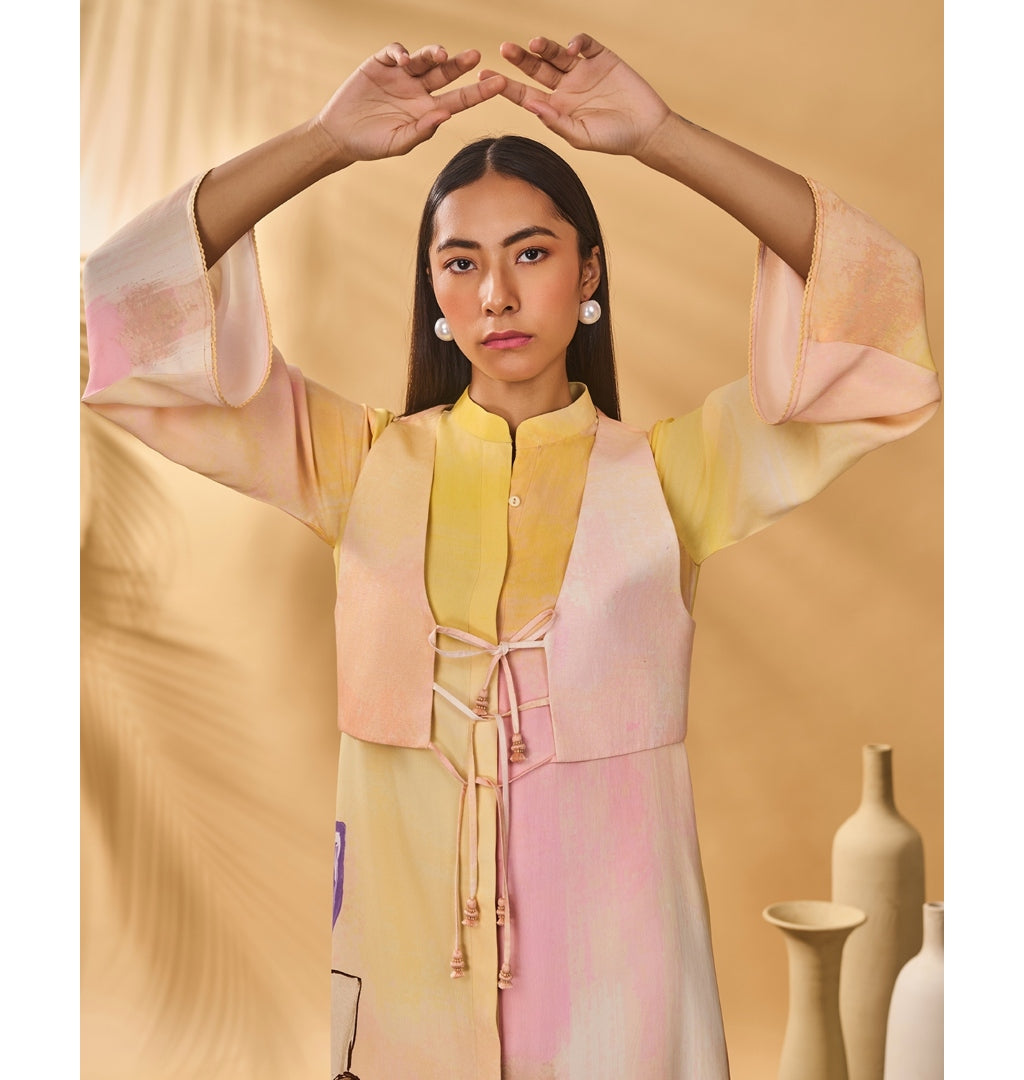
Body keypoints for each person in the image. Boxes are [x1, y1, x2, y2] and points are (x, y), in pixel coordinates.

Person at [82, 33, 941, 1080]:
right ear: (435, 293)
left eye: (531, 254)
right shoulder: (354, 467)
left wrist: (663, 138)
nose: (495, 294)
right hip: (409, 1009)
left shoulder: (672, 477)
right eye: (461, 262)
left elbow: (878, 334)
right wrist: (324, 142)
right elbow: (121, 328)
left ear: (588, 273)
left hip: (621, 1011)